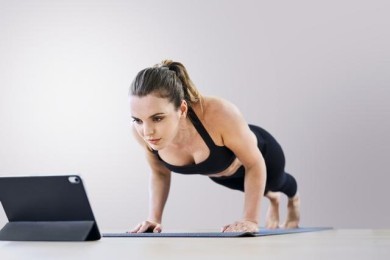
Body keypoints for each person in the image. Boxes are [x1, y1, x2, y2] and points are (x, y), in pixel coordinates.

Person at [129, 60, 300, 233]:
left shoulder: (218, 112)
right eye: (137, 120)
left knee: (278, 182)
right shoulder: (140, 133)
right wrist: (153, 220)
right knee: (263, 190)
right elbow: (159, 172)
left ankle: (294, 200)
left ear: (181, 109)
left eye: (157, 118)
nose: (147, 132)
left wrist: (250, 220)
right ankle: (273, 198)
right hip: (221, 173)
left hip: (262, 155)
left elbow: (254, 164)